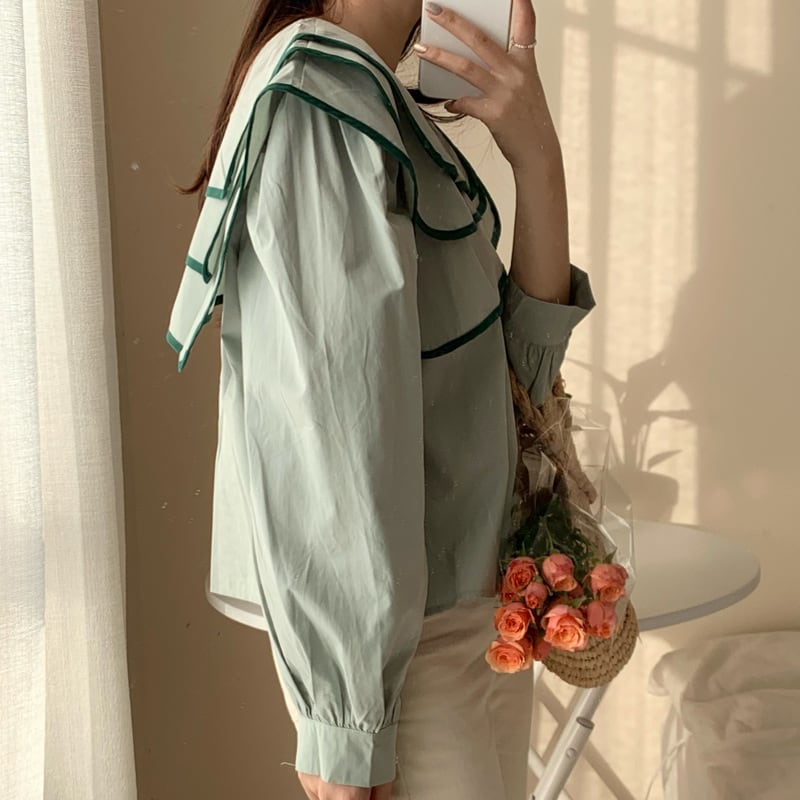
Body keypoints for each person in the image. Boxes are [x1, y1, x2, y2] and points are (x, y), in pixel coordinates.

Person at [167, 1, 596, 798]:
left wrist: (537, 156)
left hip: (476, 617)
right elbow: (330, 428)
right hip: (405, 663)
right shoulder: (317, 98)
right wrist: (345, 723)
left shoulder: (376, 100)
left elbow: (516, 387)